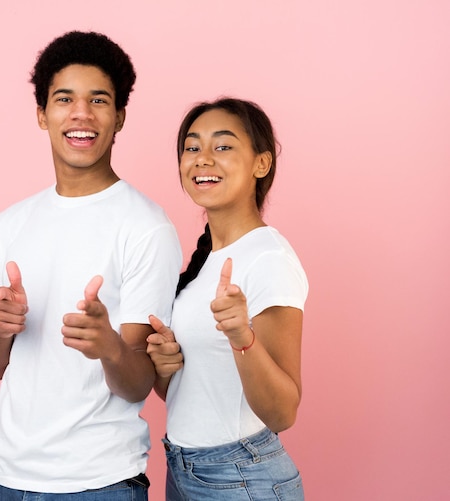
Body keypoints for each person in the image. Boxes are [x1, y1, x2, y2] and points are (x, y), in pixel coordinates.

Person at [0, 31, 182, 500]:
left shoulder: (146, 227)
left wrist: (109, 345)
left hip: (98, 481)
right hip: (4, 475)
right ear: (42, 115)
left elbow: (139, 383)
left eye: (99, 100)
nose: (81, 114)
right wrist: (0, 331)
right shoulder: (11, 222)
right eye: (64, 98)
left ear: (120, 117)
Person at [147, 98, 309, 500]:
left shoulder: (268, 258)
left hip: (241, 477)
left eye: (223, 146)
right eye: (191, 147)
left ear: (261, 164)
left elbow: (282, 412)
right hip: (186, 471)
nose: (203, 159)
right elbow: (200, 392)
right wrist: (165, 367)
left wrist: (242, 337)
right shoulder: (207, 262)